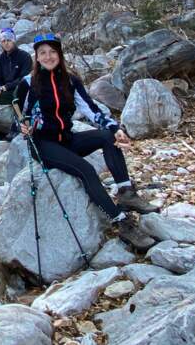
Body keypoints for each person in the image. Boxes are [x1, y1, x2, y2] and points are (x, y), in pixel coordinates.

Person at [15, 32, 158, 250]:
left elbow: (90, 109)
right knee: (87, 170)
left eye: (52, 52)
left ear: (60, 54)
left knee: (107, 137)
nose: (48, 56)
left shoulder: (71, 81)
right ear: (36, 57)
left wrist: (115, 128)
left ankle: (126, 192)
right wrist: (22, 127)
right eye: (42, 53)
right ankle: (122, 223)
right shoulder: (28, 83)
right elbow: (17, 114)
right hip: (44, 145)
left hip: (67, 139)